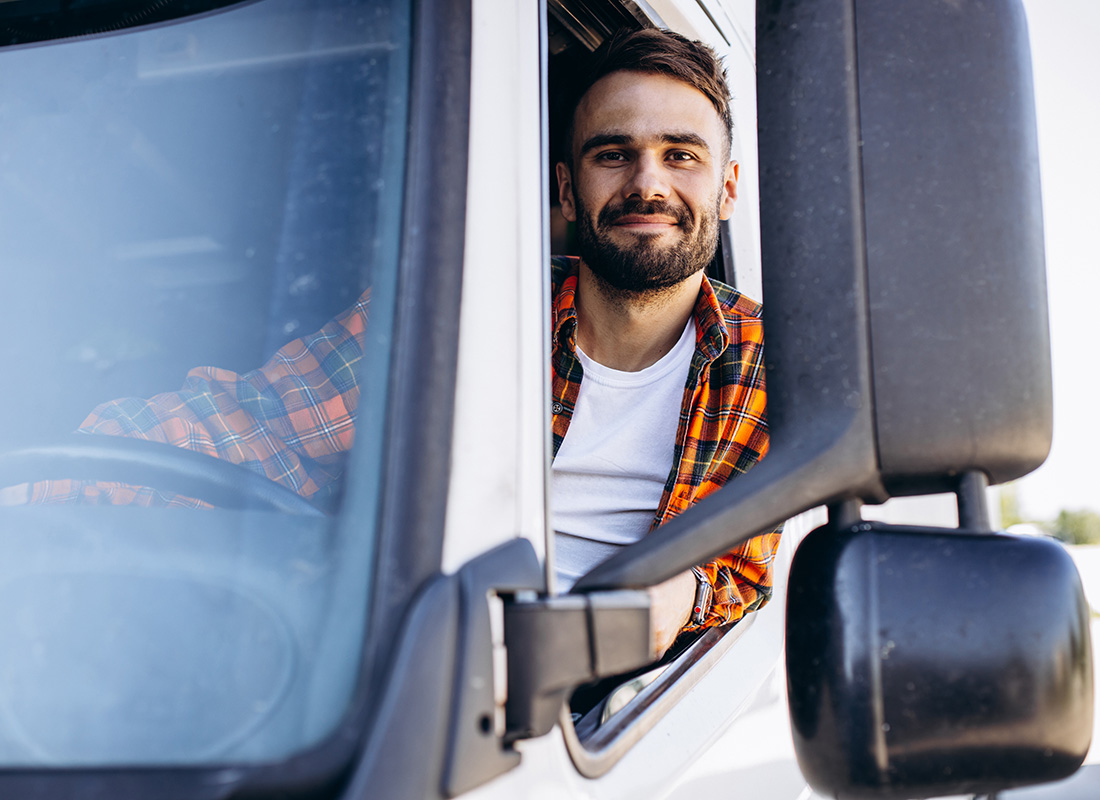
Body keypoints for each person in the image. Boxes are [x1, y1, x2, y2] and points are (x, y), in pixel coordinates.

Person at [22, 27, 779, 660]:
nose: (647, 183)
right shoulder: (465, 312)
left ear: (730, 186)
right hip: (405, 675)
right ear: (564, 186)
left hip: (611, 718)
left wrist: (680, 596)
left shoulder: (770, 357)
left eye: (682, 155)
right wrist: (41, 488)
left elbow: (748, 556)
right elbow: (255, 423)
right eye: (612, 154)